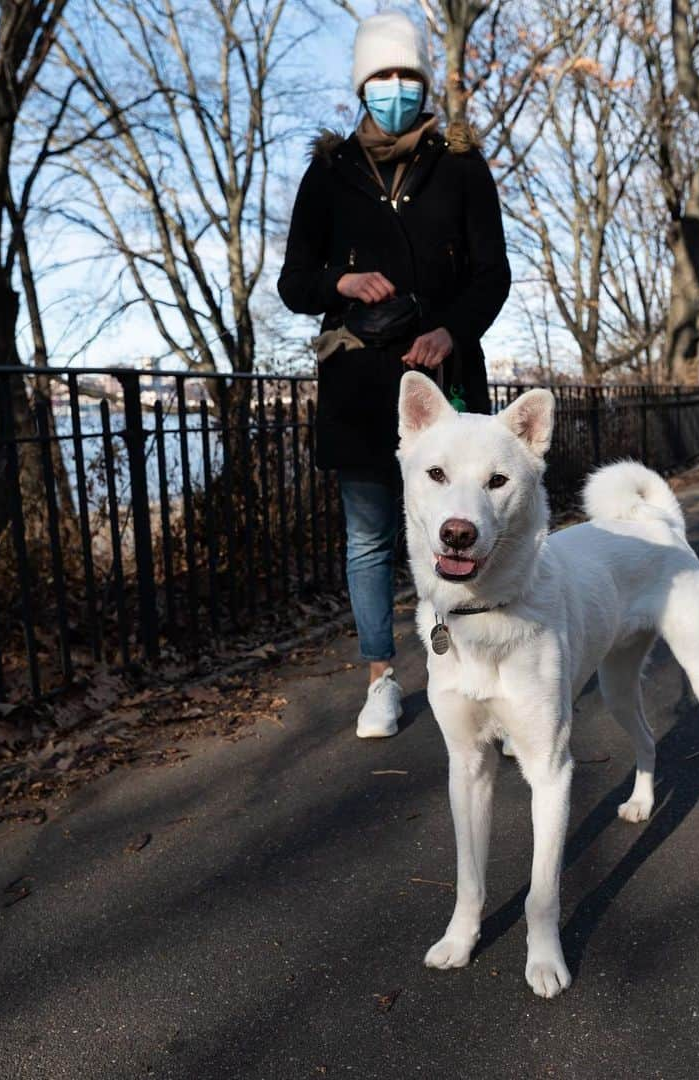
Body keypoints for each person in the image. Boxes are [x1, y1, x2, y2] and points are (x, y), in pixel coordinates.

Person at [278, 11, 511, 738]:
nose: (396, 89)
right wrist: (339, 287)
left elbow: (492, 274)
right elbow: (292, 282)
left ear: (423, 83)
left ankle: (488, 685)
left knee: (468, 530)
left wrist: (451, 331)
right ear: (361, 85)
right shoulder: (329, 173)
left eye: (408, 75)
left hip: (450, 389)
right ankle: (381, 678)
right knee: (370, 538)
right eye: (381, 76)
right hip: (358, 390)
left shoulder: (462, 165)